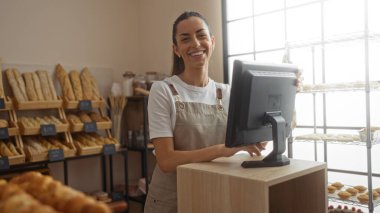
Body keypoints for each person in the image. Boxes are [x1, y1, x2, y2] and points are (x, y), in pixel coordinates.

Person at [144, 11, 268, 213]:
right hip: (171, 200)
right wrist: (222, 149)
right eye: (185, 39)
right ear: (176, 49)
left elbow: (258, 141)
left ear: (212, 41)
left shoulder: (227, 93)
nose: (195, 43)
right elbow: (166, 161)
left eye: (201, 35)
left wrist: (288, 95)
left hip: (213, 195)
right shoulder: (163, 90)